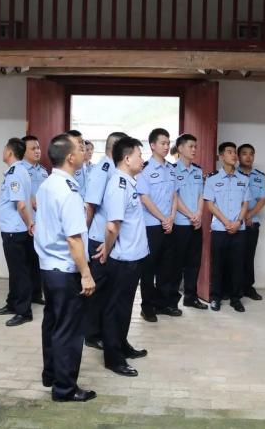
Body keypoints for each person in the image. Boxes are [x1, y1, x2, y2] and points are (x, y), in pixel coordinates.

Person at [34, 132, 97, 402]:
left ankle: (51, 374)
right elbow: (73, 239)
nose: (84, 151)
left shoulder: (48, 184)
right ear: (70, 157)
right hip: (65, 269)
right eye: (81, 148)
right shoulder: (68, 190)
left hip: (48, 267)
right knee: (68, 331)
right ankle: (65, 388)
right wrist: (86, 274)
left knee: (53, 323)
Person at [95, 137, 149, 377]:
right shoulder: (118, 185)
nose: (142, 159)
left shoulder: (128, 182)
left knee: (125, 307)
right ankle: (113, 358)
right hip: (122, 259)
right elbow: (112, 226)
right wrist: (107, 249)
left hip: (133, 256)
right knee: (115, 309)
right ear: (127, 159)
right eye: (139, 155)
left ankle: (122, 344)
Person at [83, 131, 128, 350]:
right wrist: (85, 236)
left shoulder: (115, 169)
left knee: (107, 289)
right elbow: (91, 205)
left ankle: (102, 329)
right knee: (98, 288)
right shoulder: (104, 169)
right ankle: (92, 334)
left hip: (109, 238)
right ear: (116, 147)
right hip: (98, 238)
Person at [137, 127, 179, 322]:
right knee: (149, 269)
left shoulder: (171, 169)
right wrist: (163, 218)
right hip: (152, 226)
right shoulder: (144, 169)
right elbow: (145, 199)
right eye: (163, 143)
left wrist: (171, 217)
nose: (166, 146)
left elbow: (175, 195)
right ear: (152, 145)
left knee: (167, 267)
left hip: (169, 224)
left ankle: (163, 304)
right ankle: (147, 307)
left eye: (168, 143)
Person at [203, 142, 250, 313]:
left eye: (234, 152)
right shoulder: (212, 179)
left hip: (239, 229)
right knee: (218, 265)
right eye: (229, 152)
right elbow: (210, 204)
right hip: (219, 229)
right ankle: (216, 297)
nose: (234, 155)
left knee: (237, 265)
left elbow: (245, 203)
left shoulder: (243, 179)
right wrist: (225, 222)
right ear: (221, 156)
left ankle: (235, 298)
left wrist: (238, 222)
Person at [0, 138, 35, 327]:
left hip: (14, 231)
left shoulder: (15, 173)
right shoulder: (21, 170)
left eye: (4, 148)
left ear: (9, 152)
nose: (3, 151)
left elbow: (21, 204)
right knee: (16, 270)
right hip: (14, 230)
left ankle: (24, 312)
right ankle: (12, 303)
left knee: (20, 272)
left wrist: (30, 223)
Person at [172, 134, 207, 310]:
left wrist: (199, 214)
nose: (194, 150)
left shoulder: (198, 171)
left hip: (196, 224)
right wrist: (190, 215)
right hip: (180, 225)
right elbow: (174, 197)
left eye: (195, 146)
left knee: (194, 263)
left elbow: (202, 195)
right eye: (190, 146)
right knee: (176, 264)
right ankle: (172, 301)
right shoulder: (172, 170)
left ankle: (190, 298)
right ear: (180, 148)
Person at [237, 143, 265, 301]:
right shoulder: (232, 174)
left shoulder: (259, 176)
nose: (248, 157)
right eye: (244, 153)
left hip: (252, 222)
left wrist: (249, 215)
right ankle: (233, 288)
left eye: (251, 154)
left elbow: (262, 200)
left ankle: (248, 287)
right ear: (238, 156)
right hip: (235, 222)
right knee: (235, 257)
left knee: (249, 256)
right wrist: (243, 216)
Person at [21, 135, 47, 306]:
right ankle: (24, 298)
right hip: (26, 222)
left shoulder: (43, 171)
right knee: (25, 264)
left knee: (38, 260)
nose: (37, 151)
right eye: (33, 148)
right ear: (23, 151)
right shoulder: (20, 170)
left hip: (42, 222)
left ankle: (37, 294)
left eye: (38, 148)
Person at [69, 130, 88, 199]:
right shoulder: (69, 166)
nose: (82, 145)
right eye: (78, 143)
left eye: (82, 142)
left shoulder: (84, 164)